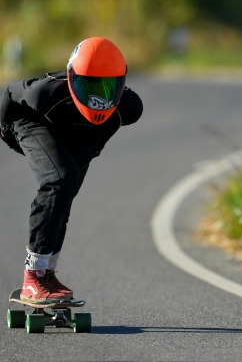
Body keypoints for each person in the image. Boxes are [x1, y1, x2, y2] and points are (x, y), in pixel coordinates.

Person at [0, 37, 143, 303]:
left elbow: (108, 128)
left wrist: (93, 149)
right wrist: (14, 141)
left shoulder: (130, 107)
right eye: (89, 84)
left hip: (81, 132)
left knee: (65, 194)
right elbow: (9, 94)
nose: (98, 97)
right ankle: (32, 276)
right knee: (60, 180)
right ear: (71, 77)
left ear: (122, 84)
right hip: (33, 121)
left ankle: (47, 273)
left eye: (109, 87)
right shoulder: (43, 94)